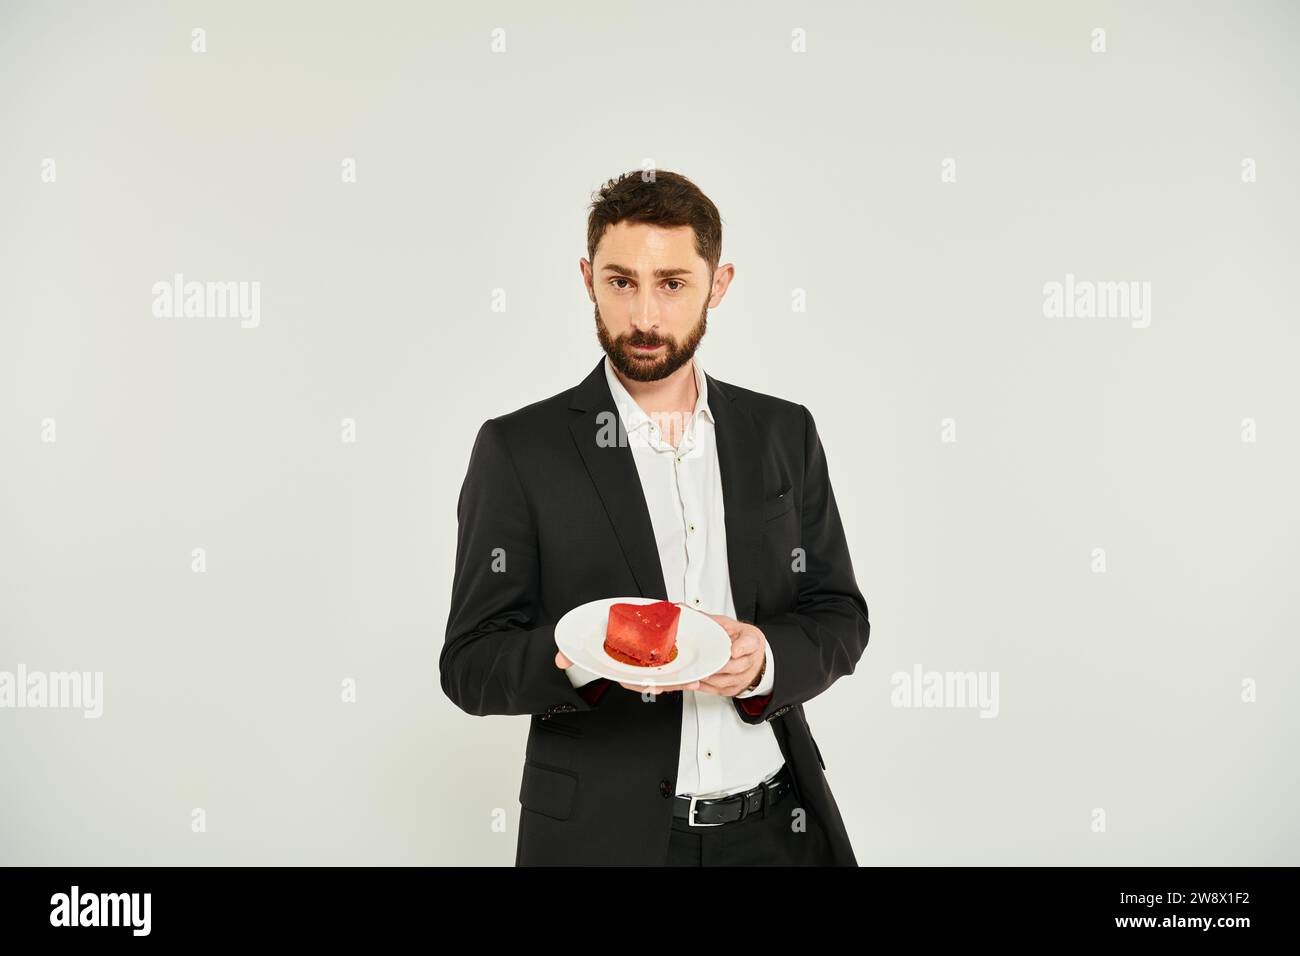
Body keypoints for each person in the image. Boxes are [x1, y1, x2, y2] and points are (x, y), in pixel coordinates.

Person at [441, 169, 870, 865]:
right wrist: (579, 655)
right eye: (620, 282)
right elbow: (469, 665)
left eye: (672, 284)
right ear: (587, 278)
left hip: (777, 828)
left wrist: (763, 658)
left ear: (718, 284)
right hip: (606, 841)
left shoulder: (783, 432)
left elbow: (840, 615)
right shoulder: (519, 450)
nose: (643, 316)